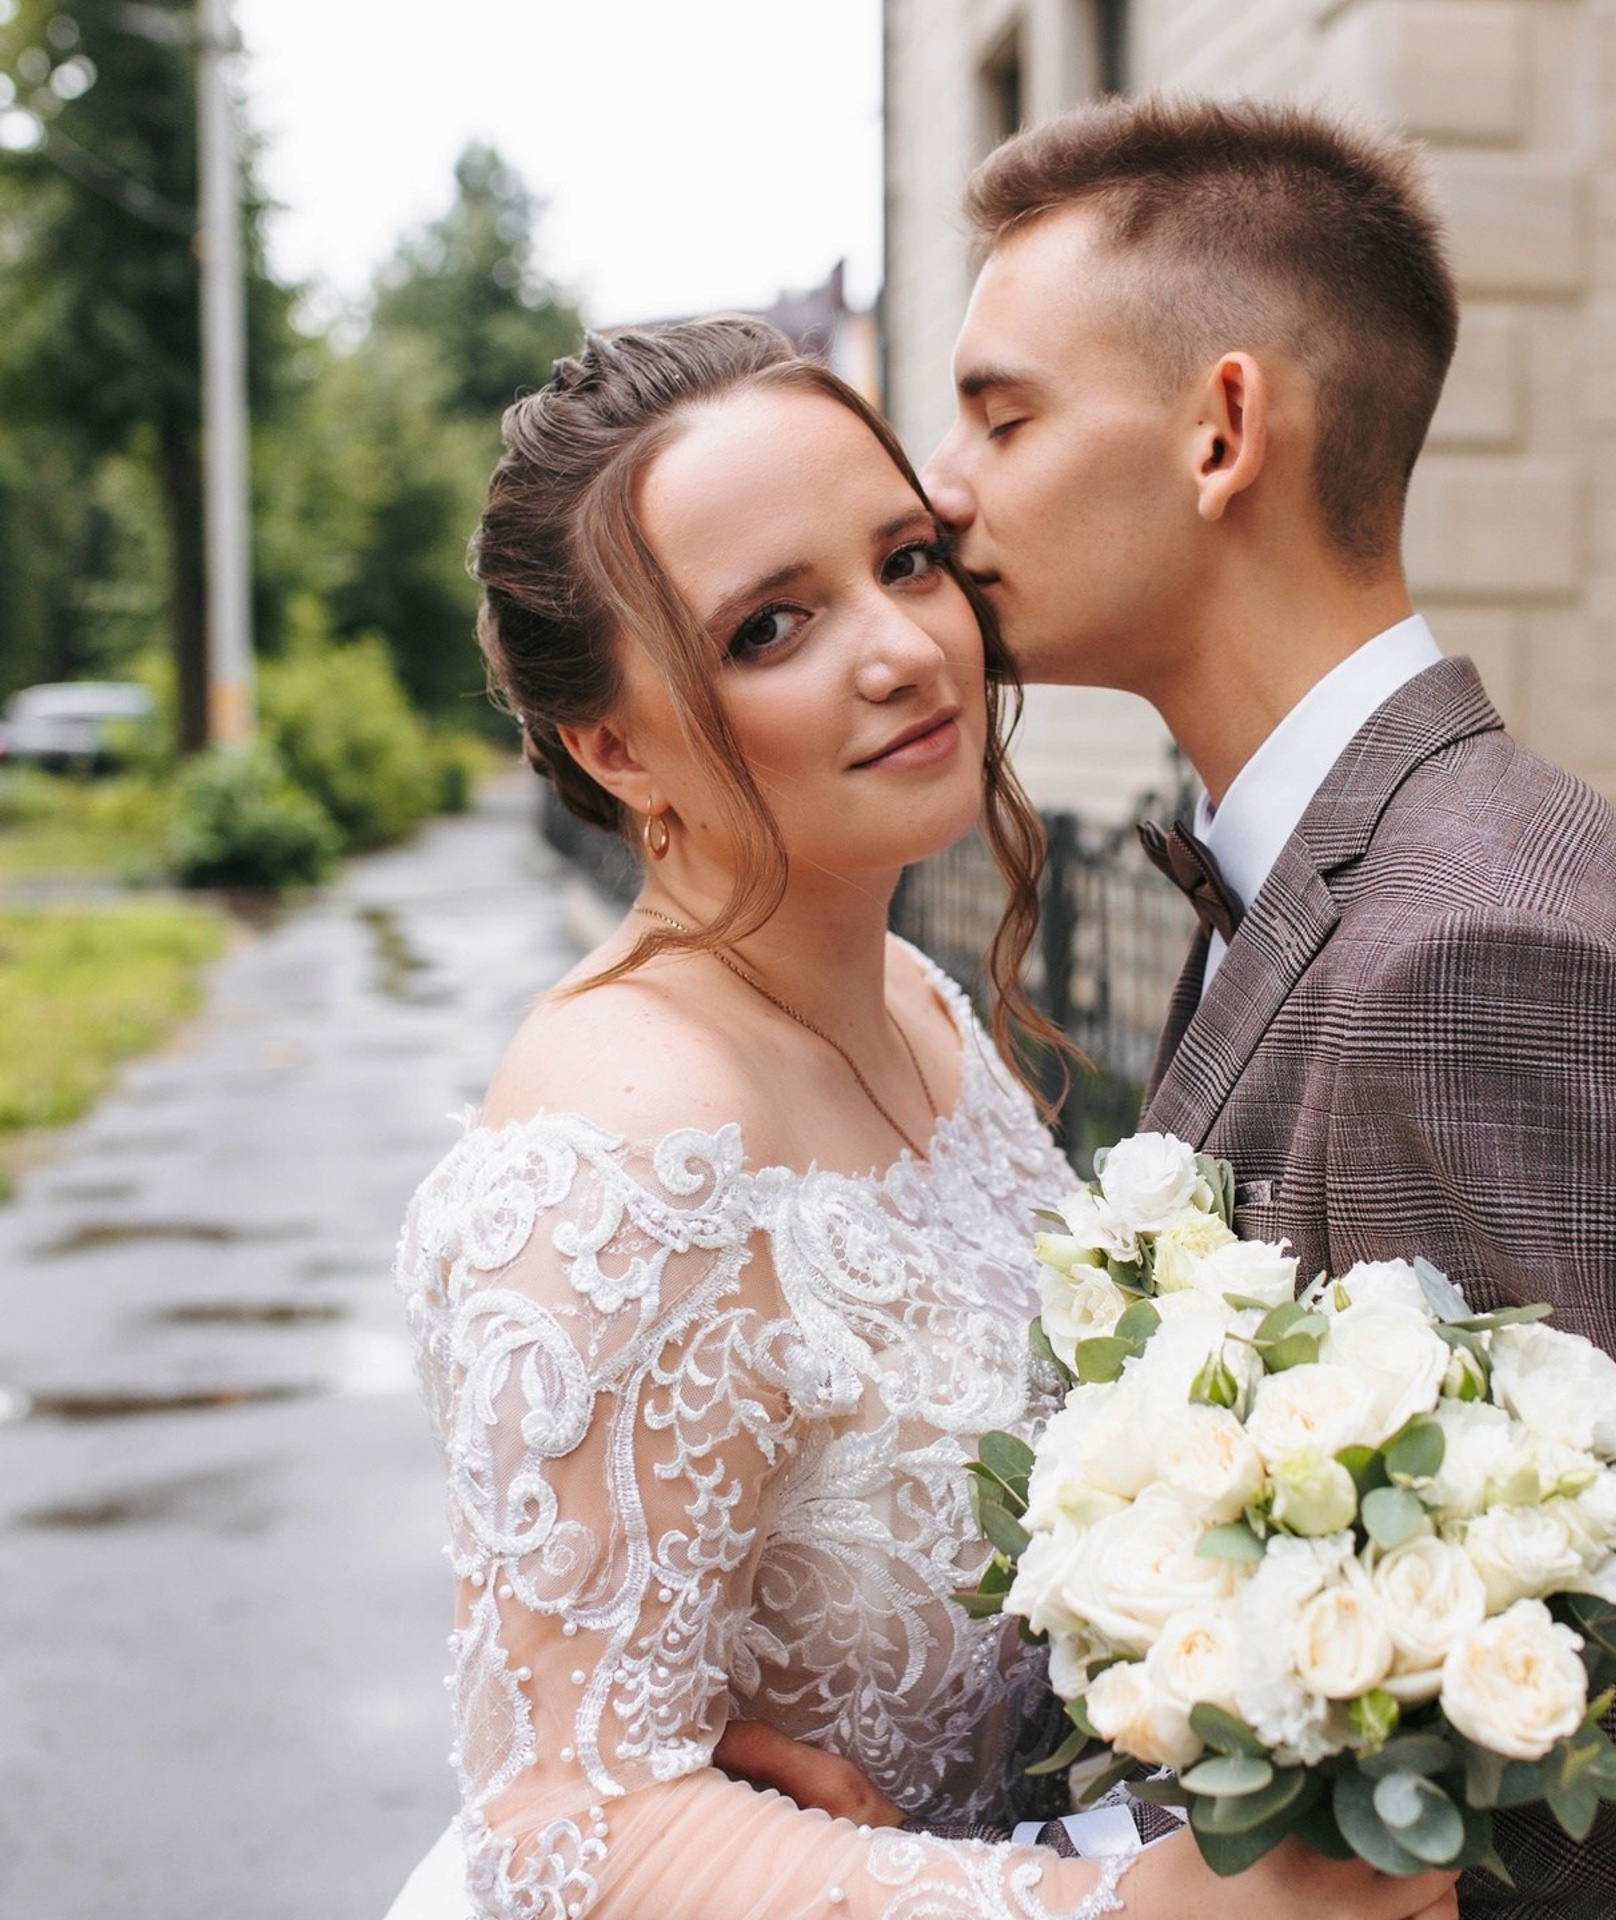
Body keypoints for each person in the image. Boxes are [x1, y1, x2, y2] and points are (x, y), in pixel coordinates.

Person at [385, 316, 1459, 1920]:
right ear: (612, 746)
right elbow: (565, 1830)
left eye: (904, 559)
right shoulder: (620, 1148)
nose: (898, 648)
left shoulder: (913, 1002)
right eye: (768, 628)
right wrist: (1136, 1913)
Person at [921, 96, 1616, 1920]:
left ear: (1223, 431)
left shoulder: (1480, 959)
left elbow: (1566, 1814)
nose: (941, 490)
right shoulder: (1343, 866)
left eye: (1002, 416)